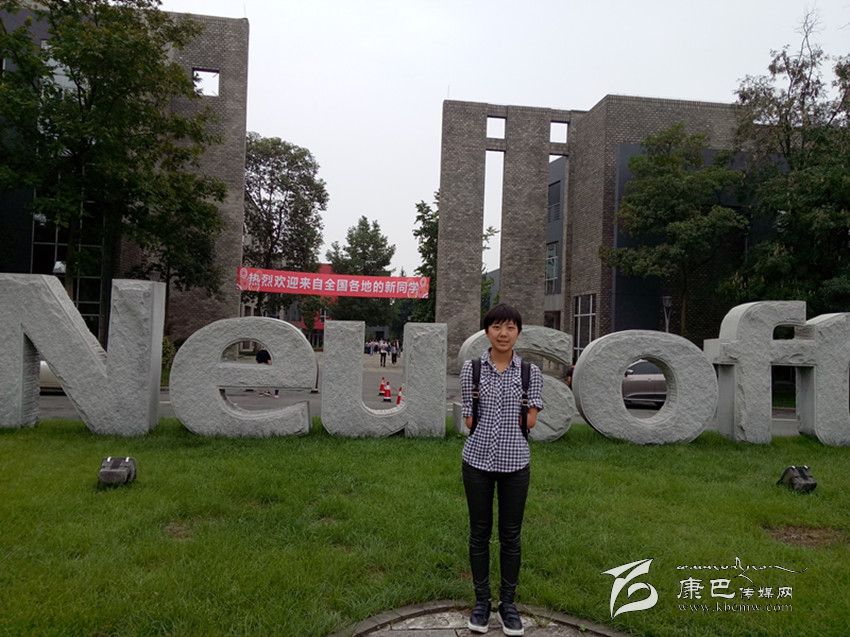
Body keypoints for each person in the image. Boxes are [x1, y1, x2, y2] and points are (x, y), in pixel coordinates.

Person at [460, 303, 542, 636]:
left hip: (515, 464)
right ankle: (482, 602)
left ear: (518, 332)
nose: (503, 334)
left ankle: (508, 605)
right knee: (479, 533)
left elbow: (531, 419)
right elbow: (469, 417)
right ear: (487, 332)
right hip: (476, 463)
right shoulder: (472, 369)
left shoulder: (530, 373)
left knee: (511, 535)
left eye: (510, 327)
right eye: (496, 327)